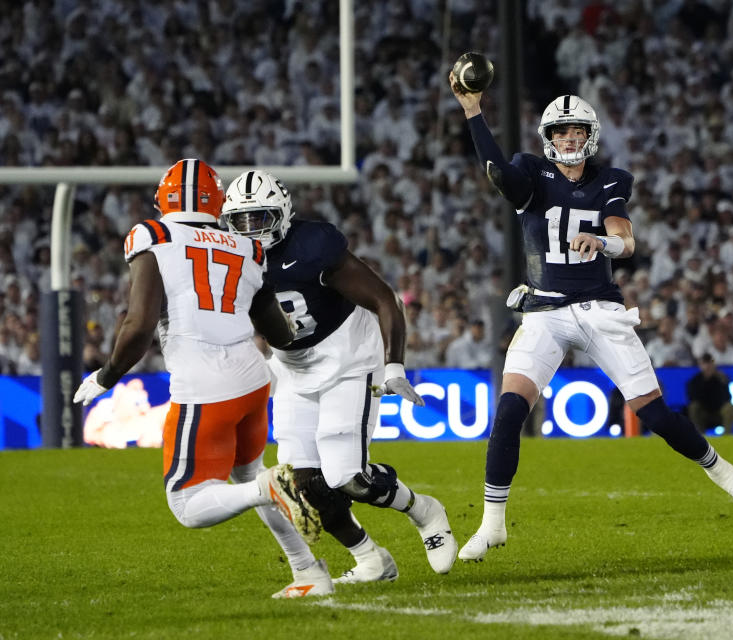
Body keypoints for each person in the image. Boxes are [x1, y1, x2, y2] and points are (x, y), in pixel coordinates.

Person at [449, 78, 733, 564]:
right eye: (562, 132)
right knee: (510, 409)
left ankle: (718, 467)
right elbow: (495, 170)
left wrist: (603, 243)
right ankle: (492, 523)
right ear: (547, 137)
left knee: (654, 413)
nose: (570, 140)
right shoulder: (531, 173)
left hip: (600, 307)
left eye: (577, 132)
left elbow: (626, 239)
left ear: (590, 136)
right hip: (547, 310)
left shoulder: (611, 180)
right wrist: (474, 112)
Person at [72, 159, 338, 598]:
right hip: (253, 380)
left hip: (205, 385)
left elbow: (138, 325)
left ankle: (275, 488)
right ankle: (309, 571)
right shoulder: (245, 246)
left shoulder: (153, 235)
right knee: (247, 474)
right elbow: (277, 331)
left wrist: (106, 376)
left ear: (163, 198)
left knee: (189, 505)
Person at [218, 170, 457, 583]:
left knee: (347, 477)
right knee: (305, 484)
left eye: (261, 218)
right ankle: (370, 559)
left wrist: (395, 364)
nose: (252, 231)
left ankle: (423, 510)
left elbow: (384, 298)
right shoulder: (230, 260)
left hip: (347, 358)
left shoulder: (313, 246)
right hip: (293, 368)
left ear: (283, 213)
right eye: (242, 221)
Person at [686, 353, 733, 434]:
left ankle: (727, 435)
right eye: (704, 363)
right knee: (693, 407)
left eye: (709, 363)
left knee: (731, 408)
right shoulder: (695, 381)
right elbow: (692, 398)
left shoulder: (722, 378)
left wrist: (719, 380)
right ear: (700, 365)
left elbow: (727, 398)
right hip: (703, 413)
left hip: (719, 412)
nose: (707, 366)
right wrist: (705, 382)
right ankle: (699, 437)